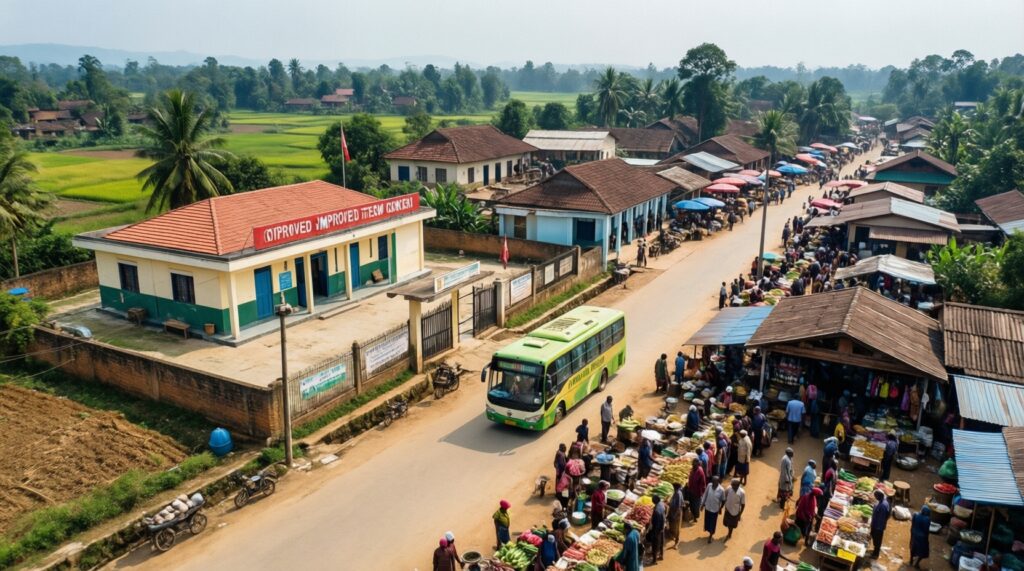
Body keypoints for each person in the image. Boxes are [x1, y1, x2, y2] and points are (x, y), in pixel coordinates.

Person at [701, 475, 725, 544]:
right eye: (713, 481)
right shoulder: (709, 485)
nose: (713, 483)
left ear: (718, 482)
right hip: (708, 507)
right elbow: (705, 494)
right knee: (708, 521)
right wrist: (702, 504)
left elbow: (723, 500)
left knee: (713, 523)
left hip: (715, 509)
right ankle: (709, 531)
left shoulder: (721, 490)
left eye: (715, 481)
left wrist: (720, 508)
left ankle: (710, 536)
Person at [871, 489, 890, 558]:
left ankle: (876, 554)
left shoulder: (883, 506)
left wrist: (875, 526)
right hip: (877, 525)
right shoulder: (882, 501)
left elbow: (881, 518)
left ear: (879, 496)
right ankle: (875, 550)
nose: (875, 498)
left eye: (876, 496)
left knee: (877, 540)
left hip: (878, 526)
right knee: (874, 537)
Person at [687, 457, 707, 523]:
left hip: (697, 492)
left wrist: (701, 493)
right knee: (692, 504)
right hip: (691, 490)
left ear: (698, 465)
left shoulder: (700, 472)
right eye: (693, 465)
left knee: (696, 506)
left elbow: (703, 484)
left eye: (694, 465)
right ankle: (693, 515)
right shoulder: (693, 470)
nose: (693, 466)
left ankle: (695, 517)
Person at [648, 494, 666, 564]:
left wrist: (655, 532)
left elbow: (657, 523)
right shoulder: (661, 504)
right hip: (662, 527)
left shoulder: (656, 510)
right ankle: (661, 555)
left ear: (655, 501)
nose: (652, 501)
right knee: (661, 542)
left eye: (653, 500)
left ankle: (654, 560)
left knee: (655, 544)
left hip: (657, 529)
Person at [668, 482, 685, 547]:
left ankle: (676, 542)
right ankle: (673, 535)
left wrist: (675, 515)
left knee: (677, 528)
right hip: (674, 512)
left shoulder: (677, 494)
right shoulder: (678, 492)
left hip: (677, 513)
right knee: (674, 526)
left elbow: (678, 506)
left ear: (675, 488)